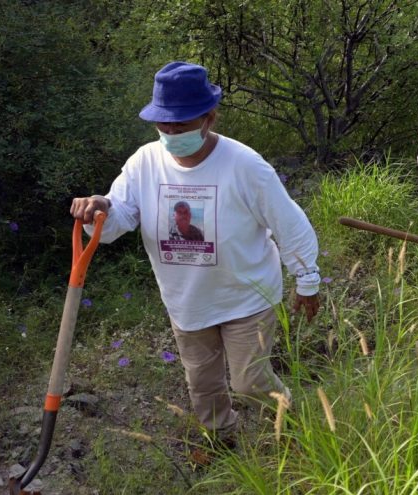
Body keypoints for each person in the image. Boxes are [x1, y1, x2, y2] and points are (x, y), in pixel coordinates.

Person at [69, 62, 321, 448]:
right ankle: (221, 440)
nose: (171, 133)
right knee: (203, 385)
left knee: (249, 382)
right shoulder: (144, 163)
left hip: (246, 296)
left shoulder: (245, 166)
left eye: (181, 125)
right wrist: (99, 208)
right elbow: (116, 219)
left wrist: (307, 280)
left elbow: (290, 224)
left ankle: (294, 427)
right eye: (164, 125)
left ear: (209, 118)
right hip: (187, 301)